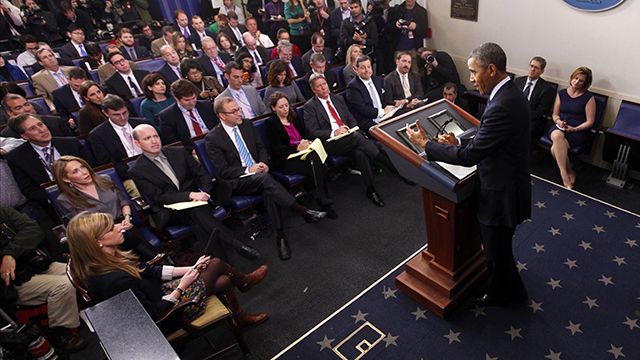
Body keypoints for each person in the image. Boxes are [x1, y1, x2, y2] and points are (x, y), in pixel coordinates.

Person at [405, 42, 530, 306]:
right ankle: (509, 289)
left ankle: (504, 297)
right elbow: (487, 139)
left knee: (498, 252)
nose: (471, 78)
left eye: (474, 72)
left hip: (501, 193)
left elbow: (472, 156)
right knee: (499, 249)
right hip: (510, 183)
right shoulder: (510, 93)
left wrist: (426, 145)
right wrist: (459, 143)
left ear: (492, 69)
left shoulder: (501, 105)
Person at [66, 211, 268, 325]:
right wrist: (183, 286)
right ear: (98, 241)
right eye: (111, 228)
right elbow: (152, 315)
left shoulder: (109, 258)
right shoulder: (114, 280)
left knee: (222, 279)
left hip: (159, 294)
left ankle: (240, 309)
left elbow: (150, 270)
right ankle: (244, 282)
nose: (120, 226)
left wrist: (192, 267)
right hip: (169, 313)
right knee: (216, 264)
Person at [206, 96, 327, 260]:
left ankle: (281, 236)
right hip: (238, 180)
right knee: (265, 180)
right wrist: (249, 169)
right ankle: (303, 211)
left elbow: (260, 147)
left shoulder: (247, 124)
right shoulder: (213, 138)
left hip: (260, 173)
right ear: (222, 116)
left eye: (238, 109)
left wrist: (263, 162)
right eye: (233, 111)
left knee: (267, 188)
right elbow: (222, 171)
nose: (239, 113)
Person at [130, 124, 261, 260]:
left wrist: (205, 192)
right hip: (172, 210)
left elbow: (203, 175)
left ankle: (225, 267)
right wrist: (189, 195)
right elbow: (159, 197)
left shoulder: (179, 152)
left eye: (155, 136)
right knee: (197, 213)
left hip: (199, 201)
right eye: (147, 138)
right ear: (137, 143)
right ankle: (236, 244)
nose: (154, 141)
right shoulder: (137, 170)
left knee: (198, 222)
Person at [0, 206, 87, 353]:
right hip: (11, 282)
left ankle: (87, 314)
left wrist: (10, 254)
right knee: (63, 285)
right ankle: (60, 335)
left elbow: (33, 230)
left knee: (81, 271)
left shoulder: (2, 211)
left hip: (34, 265)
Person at [303, 74, 387, 207]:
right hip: (331, 143)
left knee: (360, 153)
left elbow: (351, 118)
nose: (324, 88)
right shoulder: (310, 106)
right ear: (314, 90)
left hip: (349, 137)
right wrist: (334, 132)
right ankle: (385, 162)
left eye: (324, 84)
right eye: (319, 86)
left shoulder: (338, 98)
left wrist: (351, 128)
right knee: (357, 139)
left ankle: (371, 190)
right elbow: (313, 132)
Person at [52, 156, 158, 260]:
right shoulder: (65, 200)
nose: (84, 172)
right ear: (65, 179)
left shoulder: (105, 179)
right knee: (129, 238)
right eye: (75, 171)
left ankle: (154, 266)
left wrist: (127, 217)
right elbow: (84, 227)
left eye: (83, 167)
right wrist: (113, 228)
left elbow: (124, 202)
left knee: (129, 235)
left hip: (124, 224)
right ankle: (157, 263)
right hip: (102, 234)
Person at [265, 92, 336, 217]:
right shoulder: (271, 123)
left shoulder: (294, 117)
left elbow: (305, 135)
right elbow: (276, 150)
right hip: (287, 158)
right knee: (315, 161)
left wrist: (307, 141)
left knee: (316, 158)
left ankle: (321, 196)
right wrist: (296, 148)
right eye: (281, 107)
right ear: (273, 108)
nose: (285, 109)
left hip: (305, 151)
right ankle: (322, 198)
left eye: (286, 105)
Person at [87, 94, 147, 195]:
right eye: (116, 115)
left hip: (153, 166)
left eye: (125, 113)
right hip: (128, 176)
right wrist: (137, 173)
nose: (123, 117)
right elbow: (108, 165)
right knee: (139, 190)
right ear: (105, 113)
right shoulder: (98, 135)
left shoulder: (142, 124)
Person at [548, 66, 595, 189]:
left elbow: (590, 122)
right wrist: (558, 121)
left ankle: (568, 173)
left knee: (554, 149)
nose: (576, 82)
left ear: (586, 83)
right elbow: (555, 114)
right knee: (557, 135)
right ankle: (566, 174)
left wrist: (575, 129)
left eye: (581, 80)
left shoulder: (588, 97)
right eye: (575, 78)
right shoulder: (562, 93)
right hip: (559, 127)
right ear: (572, 78)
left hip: (577, 131)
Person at [158, 79, 219, 150]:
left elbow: (217, 127)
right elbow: (172, 143)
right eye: (187, 100)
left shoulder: (207, 105)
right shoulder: (167, 116)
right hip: (190, 149)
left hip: (214, 142)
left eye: (193, 98)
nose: (192, 102)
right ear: (177, 99)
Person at [345, 55, 394, 134]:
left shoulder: (377, 80)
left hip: (384, 116)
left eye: (368, 67)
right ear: (356, 70)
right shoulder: (352, 87)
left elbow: (383, 100)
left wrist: (393, 105)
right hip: (368, 122)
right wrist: (382, 111)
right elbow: (363, 109)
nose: (367, 70)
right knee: (389, 131)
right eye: (363, 68)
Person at [514, 56, 556, 145]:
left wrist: (520, 117)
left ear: (542, 71)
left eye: (536, 68)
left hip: (532, 121)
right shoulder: (518, 81)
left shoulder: (547, 89)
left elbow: (539, 112)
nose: (532, 69)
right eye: (531, 66)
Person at [384, 0, 428, 73]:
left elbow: (425, 33)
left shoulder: (422, 12)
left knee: (415, 75)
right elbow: (387, 29)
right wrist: (395, 25)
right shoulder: (395, 10)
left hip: (414, 50)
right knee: (397, 76)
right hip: (397, 49)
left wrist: (416, 27)